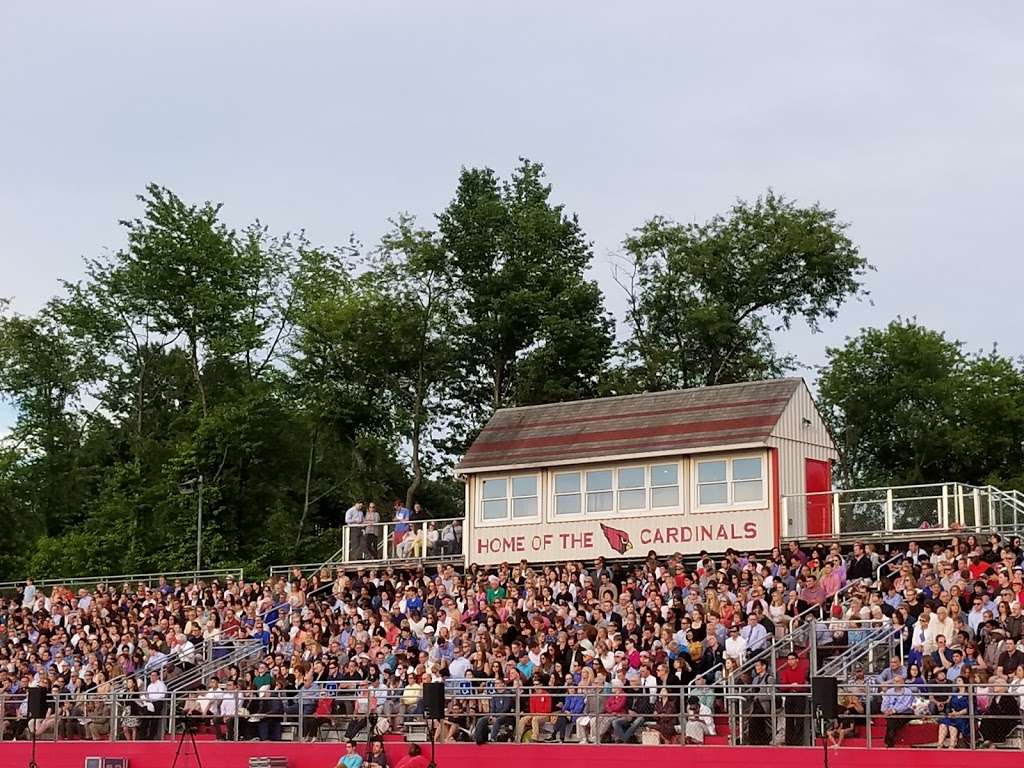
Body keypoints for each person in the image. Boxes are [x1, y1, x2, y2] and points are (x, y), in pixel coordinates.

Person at [779, 652, 808, 746]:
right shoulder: (786, 671)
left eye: (792, 659)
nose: (790, 661)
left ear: (797, 660)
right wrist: (792, 686)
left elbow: (802, 684)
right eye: (788, 659)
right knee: (789, 719)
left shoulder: (803, 670)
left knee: (799, 719)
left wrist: (793, 686)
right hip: (790, 696)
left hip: (800, 696)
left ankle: (798, 742)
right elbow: (783, 686)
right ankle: (789, 741)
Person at [880, 675, 915, 747]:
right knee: (892, 719)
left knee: (892, 720)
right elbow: (884, 703)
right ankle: (890, 741)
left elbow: (906, 705)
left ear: (903, 682)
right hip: (891, 714)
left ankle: (888, 742)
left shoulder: (908, 691)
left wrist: (894, 710)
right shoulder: (889, 691)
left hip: (904, 713)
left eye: (898, 681)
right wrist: (885, 710)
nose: (895, 683)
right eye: (894, 681)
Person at [936, 675, 970, 748]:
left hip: (963, 717)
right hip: (953, 715)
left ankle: (952, 745)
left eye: (959, 680)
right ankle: (939, 745)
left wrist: (957, 713)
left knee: (952, 726)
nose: (957, 682)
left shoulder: (968, 695)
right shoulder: (954, 694)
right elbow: (950, 706)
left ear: (964, 683)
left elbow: (969, 708)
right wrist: (950, 711)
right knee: (943, 725)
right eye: (957, 681)